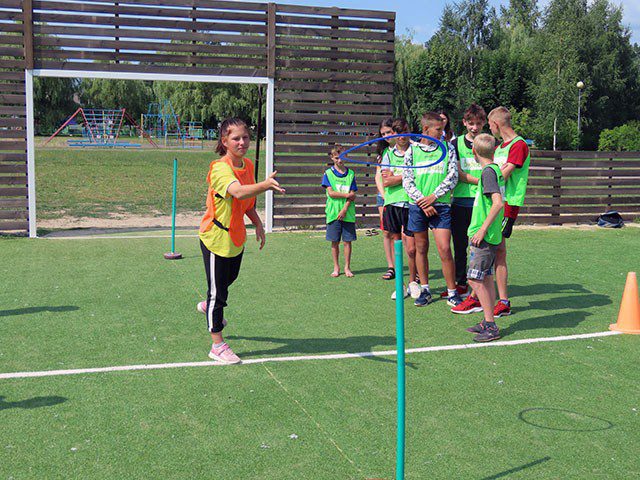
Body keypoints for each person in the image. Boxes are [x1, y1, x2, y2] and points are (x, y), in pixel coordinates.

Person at [197, 117, 285, 364]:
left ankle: (209, 304)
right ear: (224, 141)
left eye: (245, 137)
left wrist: (257, 222)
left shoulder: (247, 165)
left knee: (227, 282)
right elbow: (236, 192)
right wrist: (265, 185)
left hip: (236, 237)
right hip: (215, 238)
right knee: (218, 294)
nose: (242, 142)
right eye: (235, 138)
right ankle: (217, 345)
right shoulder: (219, 168)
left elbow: (246, 201)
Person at [452, 106, 530, 317]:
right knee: (494, 251)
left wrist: (483, 177)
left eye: (488, 124)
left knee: (497, 251)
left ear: (495, 124)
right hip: (496, 203)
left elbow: (502, 175)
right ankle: (482, 297)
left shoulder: (518, 145)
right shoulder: (501, 146)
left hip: (508, 204)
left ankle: (497, 301)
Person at [402, 112, 462, 307]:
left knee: (444, 248)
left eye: (442, 129)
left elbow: (452, 176)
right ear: (426, 129)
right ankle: (425, 289)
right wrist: (423, 202)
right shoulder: (412, 151)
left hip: (441, 206)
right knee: (421, 248)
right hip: (418, 206)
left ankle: (452, 292)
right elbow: (407, 180)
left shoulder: (447, 148)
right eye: (438, 129)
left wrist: (434, 197)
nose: (442, 133)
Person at [442, 103, 487, 300]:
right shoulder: (455, 144)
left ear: (484, 123)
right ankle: (461, 284)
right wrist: (482, 181)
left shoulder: (489, 142)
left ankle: (480, 285)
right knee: (460, 246)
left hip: (482, 202)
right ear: (464, 123)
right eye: (471, 123)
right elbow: (458, 173)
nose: (474, 127)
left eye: (478, 123)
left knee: (480, 247)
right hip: (460, 202)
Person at [463, 133, 505, 342]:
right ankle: (488, 321)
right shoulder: (494, 170)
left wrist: (481, 230)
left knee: (474, 279)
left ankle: (491, 326)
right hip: (489, 234)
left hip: (484, 236)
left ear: (474, 151)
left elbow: (497, 203)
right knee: (486, 278)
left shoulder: (488, 172)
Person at [380, 118, 420, 299]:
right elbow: (386, 181)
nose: (401, 136)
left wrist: (397, 175)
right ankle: (400, 285)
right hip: (393, 203)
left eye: (404, 131)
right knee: (397, 246)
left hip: (411, 203)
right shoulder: (389, 154)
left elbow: (418, 175)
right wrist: (407, 174)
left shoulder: (416, 150)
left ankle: (413, 282)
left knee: (411, 248)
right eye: (397, 133)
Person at [322, 145, 357, 278]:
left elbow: (353, 195)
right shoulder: (328, 174)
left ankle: (347, 267)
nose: (340, 160)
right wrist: (346, 195)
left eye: (342, 157)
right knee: (334, 241)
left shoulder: (351, 174)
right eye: (337, 158)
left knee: (347, 241)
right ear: (332, 158)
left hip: (347, 213)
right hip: (333, 213)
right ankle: (336, 267)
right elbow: (331, 193)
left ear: (346, 156)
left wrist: (345, 208)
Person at [374, 118, 395, 280]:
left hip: (400, 196)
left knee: (403, 234)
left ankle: (413, 269)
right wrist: (384, 195)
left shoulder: (407, 150)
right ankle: (391, 266)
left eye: (389, 132)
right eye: (383, 134)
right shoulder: (383, 153)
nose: (386, 136)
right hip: (384, 197)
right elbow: (378, 176)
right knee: (387, 232)